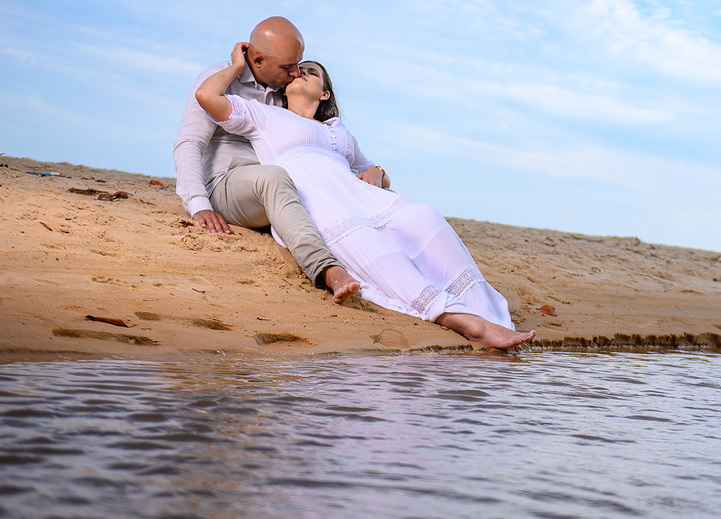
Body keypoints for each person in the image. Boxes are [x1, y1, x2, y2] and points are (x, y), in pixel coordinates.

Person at [194, 44, 536, 350]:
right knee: (377, 249)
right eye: (297, 71)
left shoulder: (339, 131)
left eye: (311, 72)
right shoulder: (265, 117)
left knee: (425, 217)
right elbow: (208, 96)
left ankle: (486, 312)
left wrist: (377, 172)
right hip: (320, 204)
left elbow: (372, 170)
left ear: (325, 94)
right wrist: (236, 68)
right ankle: (463, 322)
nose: (300, 74)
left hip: (364, 199)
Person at [174, 17, 360, 302]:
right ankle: (327, 269)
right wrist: (199, 205)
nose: (295, 73)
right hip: (230, 185)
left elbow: (325, 141)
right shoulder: (219, 79)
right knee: (273, 177)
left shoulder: (287, 90)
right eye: (287, 67)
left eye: (298, 63)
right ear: (257, 60)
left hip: (283, 188)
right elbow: (190, 142)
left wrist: (372, 170)